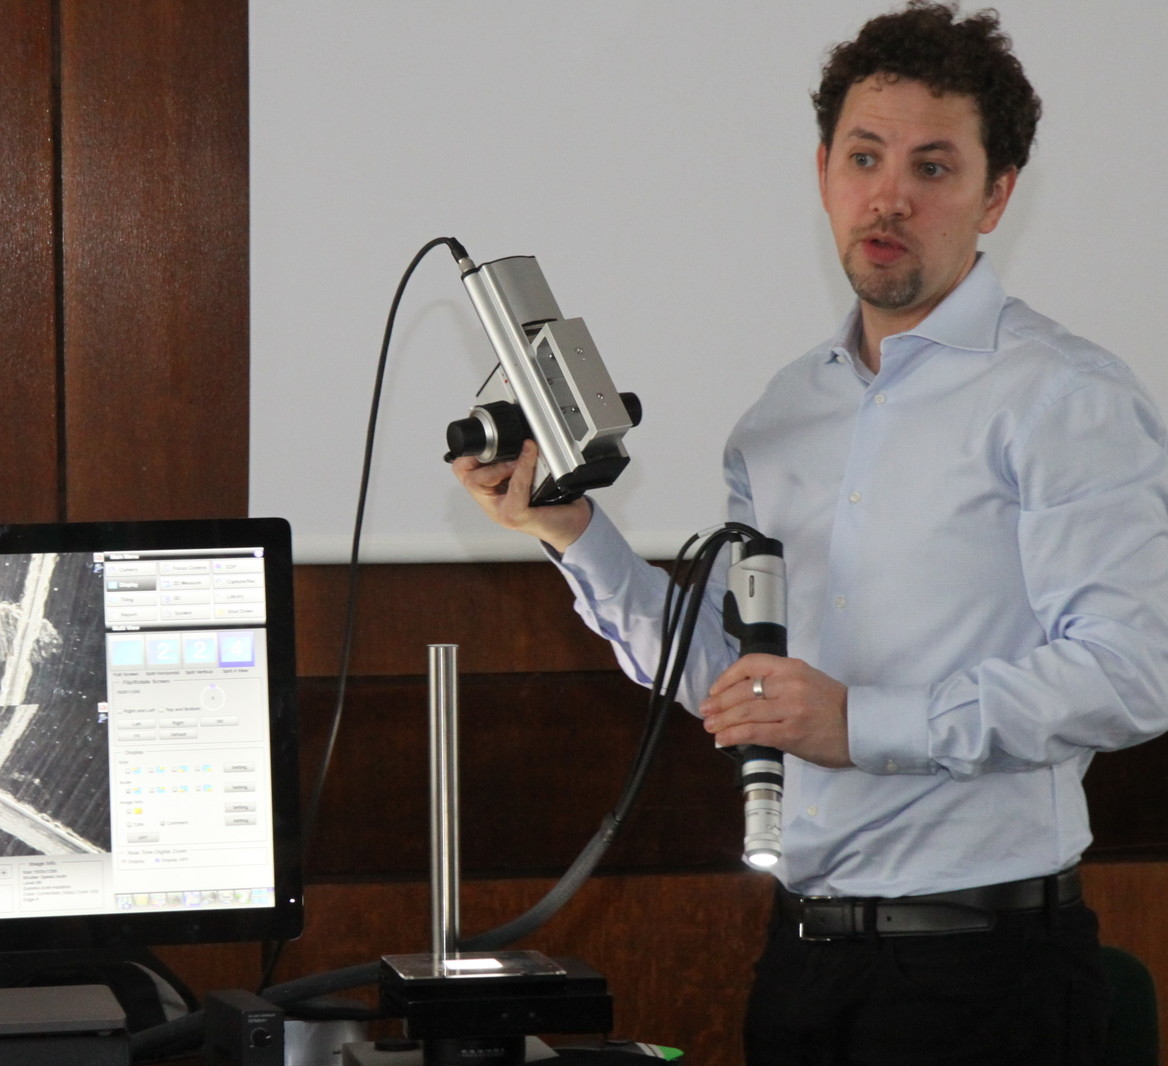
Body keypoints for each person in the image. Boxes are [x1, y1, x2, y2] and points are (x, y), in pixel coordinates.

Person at [453, 3, 1168, 1063]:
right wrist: (570, 529)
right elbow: (730, 679)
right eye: (864, 157)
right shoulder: (783, 415)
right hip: (801, 963)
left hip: (988, 973)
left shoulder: (1063, 398)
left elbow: (1133, 672)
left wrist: (862, 722)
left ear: (996, 195)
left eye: (933, 167)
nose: (889, 197)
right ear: (823, 171)